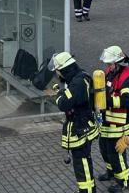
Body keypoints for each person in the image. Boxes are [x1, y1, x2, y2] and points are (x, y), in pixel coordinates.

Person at [46, 52, 99, 193]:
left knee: (82, 163)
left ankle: (87, 191)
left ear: (64, 69)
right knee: (83, 160)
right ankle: (88, 189)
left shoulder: (77, 84)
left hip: (81, 128)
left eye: (58, 72)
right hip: (84, 124)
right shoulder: (80, 76)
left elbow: (63, 104)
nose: (58, 75)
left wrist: (56, 95)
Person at [97, 46, 129, 193]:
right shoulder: (110, 72)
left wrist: (106, 101)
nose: (107, 67)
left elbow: (127, 100)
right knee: (104, 148)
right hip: (107, 120)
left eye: (110, 64)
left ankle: (123, 181)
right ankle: (111, 172)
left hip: (120, 123)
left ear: (118, 62)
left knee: (116, 152)